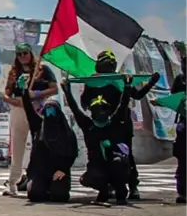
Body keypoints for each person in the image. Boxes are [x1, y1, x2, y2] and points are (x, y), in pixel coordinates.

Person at [79, 50, 160, 201]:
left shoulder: (119, 79)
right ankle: (106, 185)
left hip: (120, 123)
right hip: (101, 124)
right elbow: (84, 102)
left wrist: (151, 83)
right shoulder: (92, 80)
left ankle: (132, 185)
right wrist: (97, 109)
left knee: (124, 154)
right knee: (102, 155)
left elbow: (137, 95)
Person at [62, 76, 133, 206]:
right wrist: (67, 91)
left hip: (114, 161)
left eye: (103, 109)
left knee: (119, 165)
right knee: (88, 178)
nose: (100, 112)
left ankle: (121, 191)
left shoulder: (114, 122)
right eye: (97, 109)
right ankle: (104, 190)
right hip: (97, 164)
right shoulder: (88, 125)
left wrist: (127, 87)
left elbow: (123, 105)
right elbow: (75, 109)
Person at [2, 43, 58, 196]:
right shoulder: (14, 72)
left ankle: (41, 178)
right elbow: (6, 93)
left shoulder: (42, 69)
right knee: (17, 145)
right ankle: (13, 182)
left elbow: (55, 88)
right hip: (20, 108)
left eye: (25, 53)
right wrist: (13, 101)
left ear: (31, 54)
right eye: (19, 54)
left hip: (38, 107)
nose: (22, 57)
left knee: (40, 143)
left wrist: (37, 94)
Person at [20, 92, 77, 203]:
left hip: (59, 171)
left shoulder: (67, 132)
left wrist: (63, 170)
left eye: (53, 110)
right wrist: (24, 91)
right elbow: (28, 108)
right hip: (40, 171)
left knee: (59, 196)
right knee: (35, 194)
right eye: (47, 110)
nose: (50, 114)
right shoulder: (38, 126)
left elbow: (72, 154)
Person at [159, 67, 186, 203]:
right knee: (183, 161)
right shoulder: (181, 80)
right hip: (184, 126)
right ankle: (183, 192)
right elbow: (174, 98)